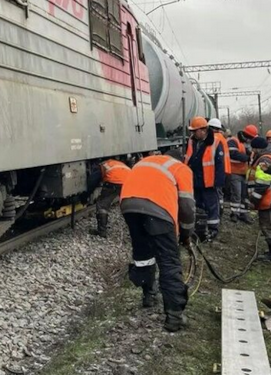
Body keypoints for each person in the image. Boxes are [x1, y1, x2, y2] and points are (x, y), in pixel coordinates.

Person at [119, 151, 195, 332]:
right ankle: (174, 316)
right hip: (157, 209)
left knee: (143, 254)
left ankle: (149, 295)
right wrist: (186, 234)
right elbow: (187, 207)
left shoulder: (146, 162)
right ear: (181, 159)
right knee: (168, 261)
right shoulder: (181, 168)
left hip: (129, 206)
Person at [184, 117, 227, 241]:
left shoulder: (215, 142)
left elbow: (220, 164)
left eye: (195, 131)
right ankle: (199, 228)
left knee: (211, 205)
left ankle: (213, 229)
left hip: (209, 181)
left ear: (203, 130)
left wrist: (218, 182)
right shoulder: (192, 141)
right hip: (195, 179)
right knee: (198, 204)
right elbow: (189, 158)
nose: (193, 133)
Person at [247, 136, 271, 261]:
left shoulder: (264, 159)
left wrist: (254, 199)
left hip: (267, 199)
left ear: (258, 148)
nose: (252, 151)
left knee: (268, 225)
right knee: (270, 224)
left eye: (254, 149)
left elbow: (263, 183)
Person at [91, 158, 131, 237]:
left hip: (113, 182)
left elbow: (93, 181)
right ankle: (134, 230)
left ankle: (102, 231)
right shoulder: (121, 164)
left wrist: (85, 196)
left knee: (102, 205)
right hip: (128, 182)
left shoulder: (103, 165)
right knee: (129, 206)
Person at [226, 125, 257, 224]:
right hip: (234, 172)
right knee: (236, 193)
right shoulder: (233, 141)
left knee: (244, 195)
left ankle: (243, 213)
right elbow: (233, 154)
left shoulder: (243, 143)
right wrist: (247, 157)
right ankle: (234, 213)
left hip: (244, 173)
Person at [208, 118, 231, 216]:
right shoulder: (222, 138)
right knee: (220, 192)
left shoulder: (214, 138)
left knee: (216, 192)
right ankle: (220, 208)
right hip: (225, 168)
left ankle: (218, 210)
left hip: (217, 169)